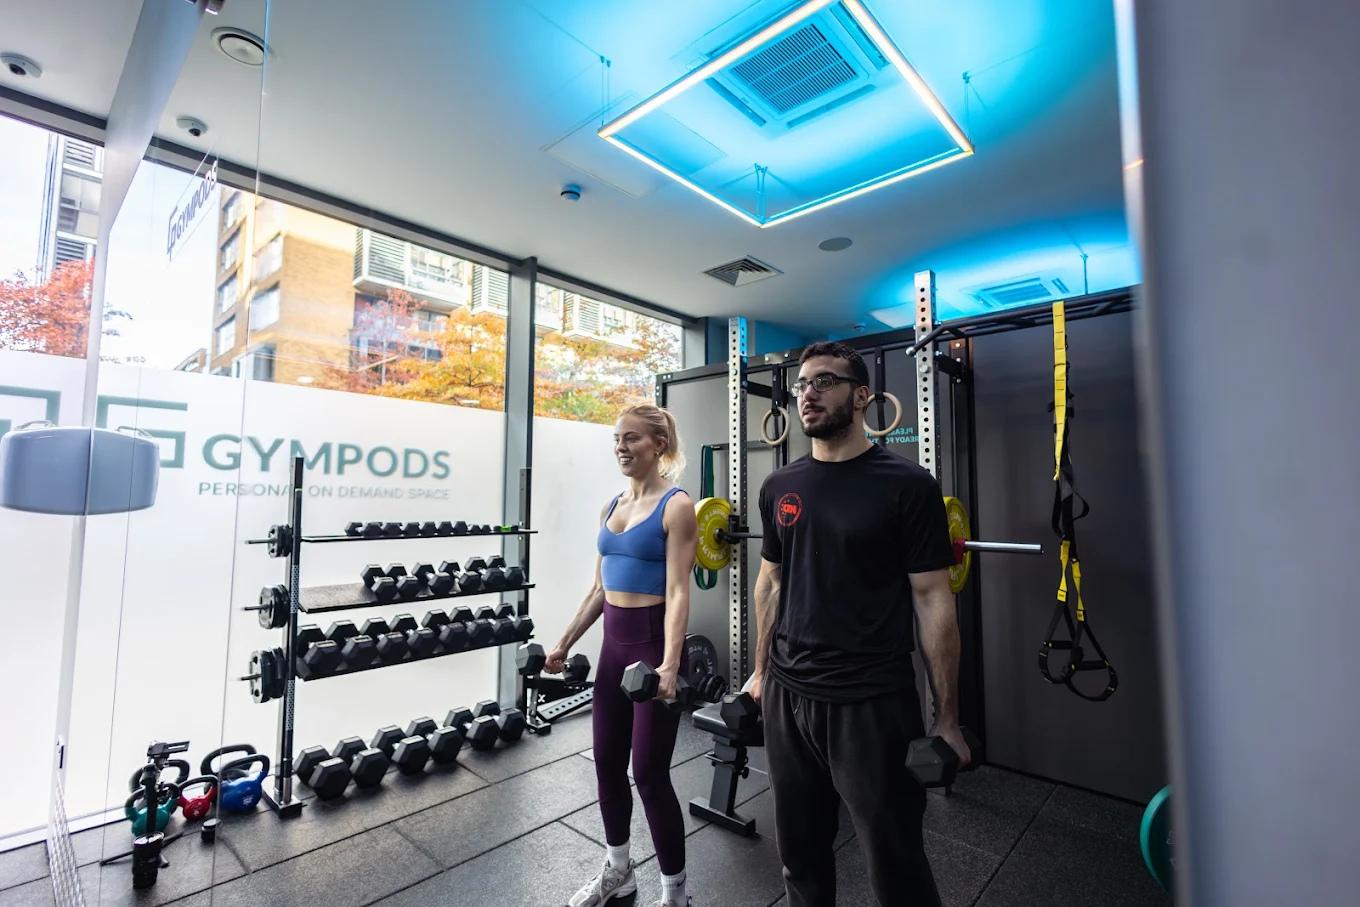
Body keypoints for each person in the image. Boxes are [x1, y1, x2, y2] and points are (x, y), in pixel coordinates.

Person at [749, 341, 968, 907]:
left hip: (870, 701)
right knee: (799, 855)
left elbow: (933, 600)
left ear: (863, 395)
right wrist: (758, 673)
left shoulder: (907, 485)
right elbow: (770, 583)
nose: (809, 394)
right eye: (802, 385)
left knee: (893, 859)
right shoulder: (780, 487)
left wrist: (947, 718)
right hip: (788, 695)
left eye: (825, 381)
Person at [550, 403, 699, 907]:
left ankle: (675, 893)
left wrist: (671, 666)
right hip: (613, 648)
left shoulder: (676, 506)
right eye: (617, 439)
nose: (621, 447)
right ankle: (619, 870)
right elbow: (598, 589)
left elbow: (679, 592)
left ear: (658, 445)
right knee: (607, 765)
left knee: (650, 775)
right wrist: (564, 642)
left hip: (651, 649)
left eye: (631, 438)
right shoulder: (611, 504)